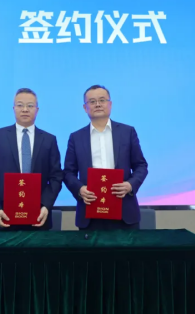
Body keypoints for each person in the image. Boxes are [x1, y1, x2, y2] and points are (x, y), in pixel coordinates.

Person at [63, 85, 148, 230]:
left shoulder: (127, 132)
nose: (97, 104)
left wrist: (130, 185)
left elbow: (141, 166)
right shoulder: (76, 137)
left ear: (110, 104)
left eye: (102, 100)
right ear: (85, 108)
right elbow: (68, 172)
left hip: (124, 211)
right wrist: (80, 189)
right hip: (90, 212)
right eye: (92, 101)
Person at [0, 88, 63, 230]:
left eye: (30, 105)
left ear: (37, 110)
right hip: (2, 217)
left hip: (37, 218)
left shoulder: (49, 140)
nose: (25, 109)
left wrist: (45, 206)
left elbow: (56, 177)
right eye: (20, 105)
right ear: (13, 108)